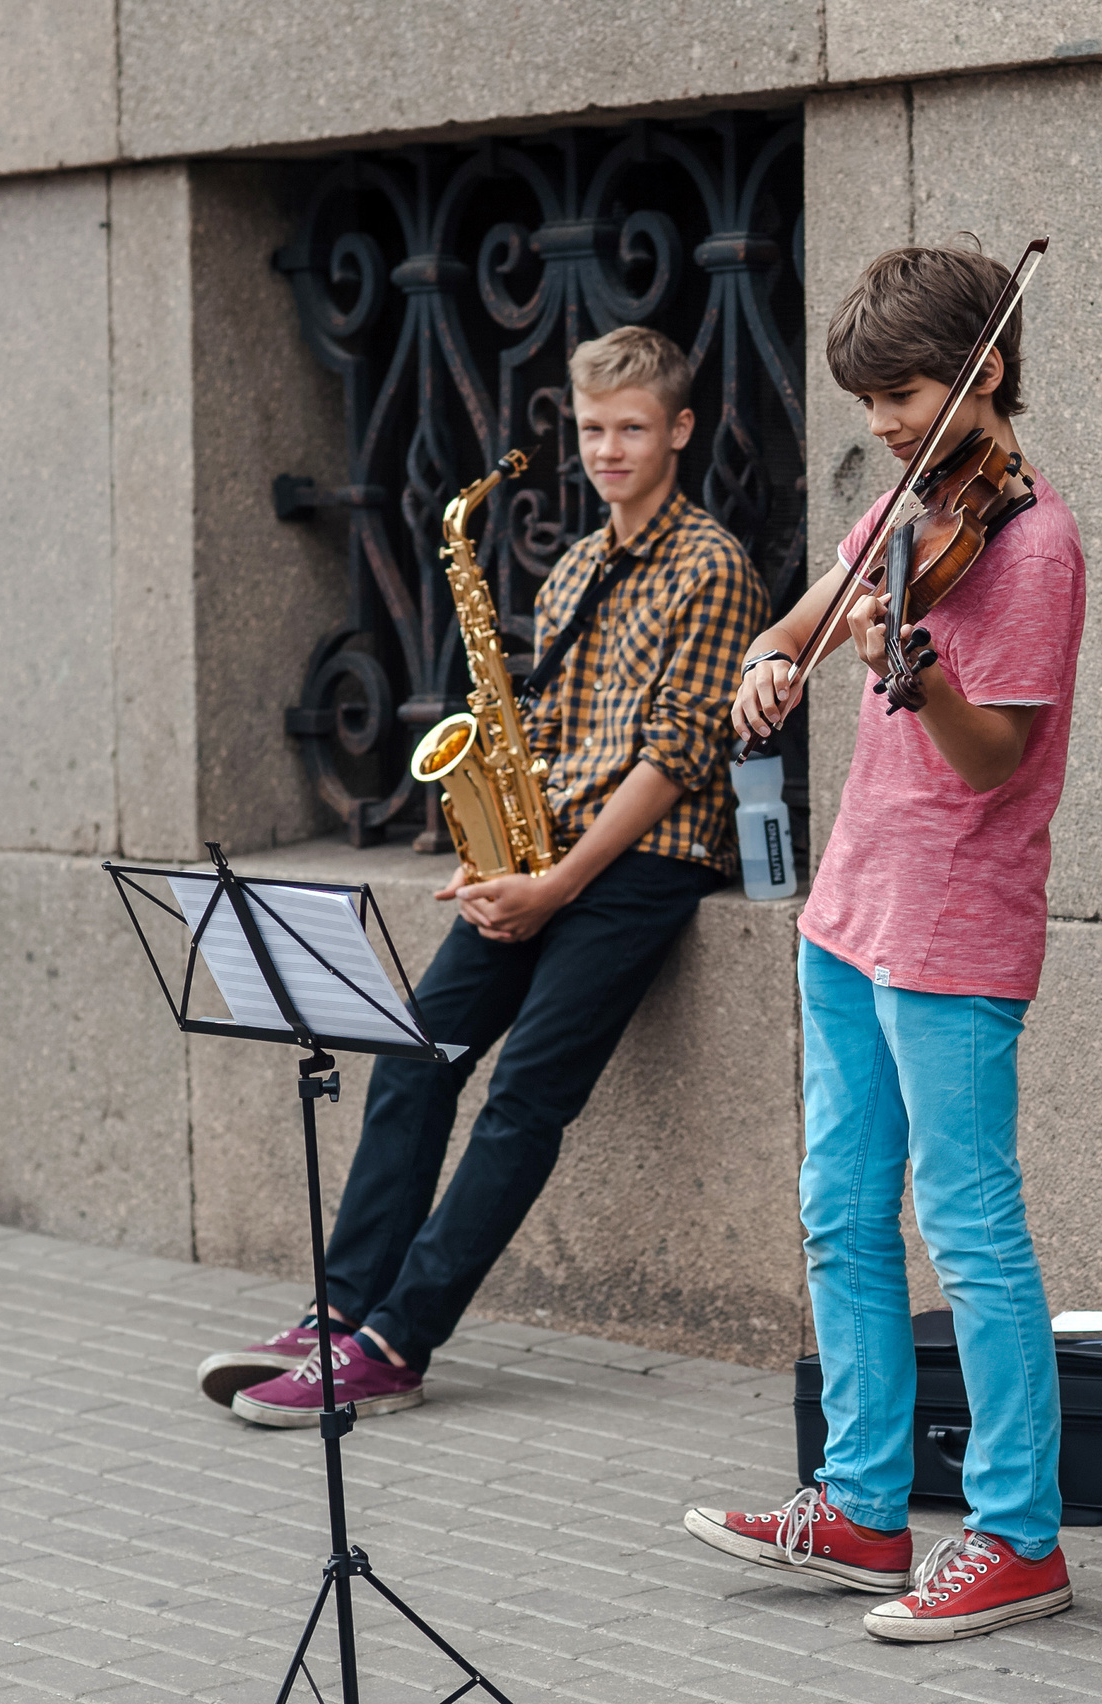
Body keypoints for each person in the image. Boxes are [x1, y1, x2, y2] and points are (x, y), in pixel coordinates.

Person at [198, 325, 768, 1426]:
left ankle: (395, 1344)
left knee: (521, 1102)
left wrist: (556, 888)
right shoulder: (571, 575)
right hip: (539, 859)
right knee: (413, 1060)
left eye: (633, 428)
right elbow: (537, 737)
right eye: (593, 428)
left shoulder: (712, 567)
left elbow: (676, 757)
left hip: (641, 864)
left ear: (679, 430)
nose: (608, 449)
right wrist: (488, 862)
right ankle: (340, 1308)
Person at [681, 243, 1086, 1644]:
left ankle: (1019, 1537)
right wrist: (771, 662)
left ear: (982, 368)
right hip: (849, 910)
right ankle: (858, 1507)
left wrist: (911, 675)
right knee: (840, 1214)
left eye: (905, 393)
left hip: (957, 930)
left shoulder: (1031, 544)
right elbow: (802, 618)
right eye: (868, 401)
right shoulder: (911, 504)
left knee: (970, 1234)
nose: (886, 424)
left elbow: (991, 760)